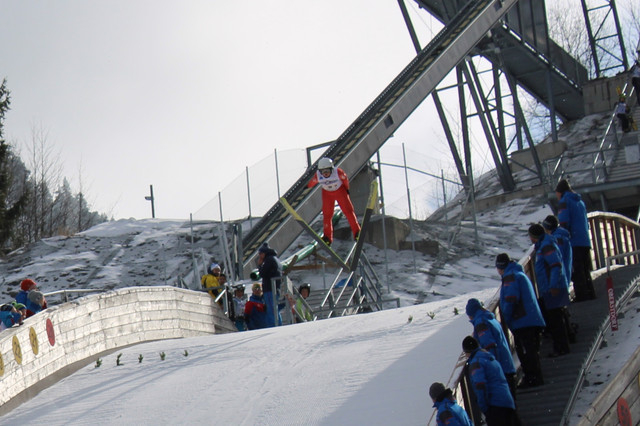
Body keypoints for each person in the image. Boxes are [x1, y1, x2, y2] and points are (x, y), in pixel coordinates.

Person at [496, 253, 545, 389]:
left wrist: (507, 314)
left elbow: (511, 298)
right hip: (531, 319)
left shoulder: (510, 277)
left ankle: (532, 379)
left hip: (522, 321)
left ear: (500, 267)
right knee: (531, 350)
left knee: (525, 351)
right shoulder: (518, 273)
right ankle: (535, 377)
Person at [529, 224, 571, 358]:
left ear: (533, 237)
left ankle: (561, 347)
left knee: (555, 319)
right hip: (550, 287)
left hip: (552, 288)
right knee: (556, 317)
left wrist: (553, 285)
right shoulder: (544, 244)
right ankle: (563, 345)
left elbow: (555, 265)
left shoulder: (546, 246)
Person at [465, 298, 516, 399]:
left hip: (500, 368)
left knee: (506, 401)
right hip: (506, 364)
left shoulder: (481, 323)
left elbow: (489, 346)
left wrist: (493, 368)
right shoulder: (489, 317)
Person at [462, 336, 519, 426]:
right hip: (506, 400)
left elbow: (480, 386)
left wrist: (484, 407)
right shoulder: (488, 357)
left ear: (468, 351)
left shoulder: (476, 363)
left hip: (495, 405)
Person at [556, 179, 596, 301]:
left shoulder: (565, 202)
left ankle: (582, 295)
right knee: (585, 268)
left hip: (574, 240)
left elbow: (564, 222)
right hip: (584, 239)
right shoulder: (580, 202)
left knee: (577, 270)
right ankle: (590, 293)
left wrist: (559, 237)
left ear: (560, 191)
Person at [307, 157, 361, 245]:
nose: (325, 174)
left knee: (348, 211)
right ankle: (327, 237)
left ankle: (357, 232)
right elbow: (312, 182)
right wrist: (306, 186)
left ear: (331, 169)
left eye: (327, 171)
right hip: (327, 193)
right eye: (323, 172)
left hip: (340, 191)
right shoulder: (318, 175)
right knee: (327, 215)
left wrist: (346, 189)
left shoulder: (338, 172)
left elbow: (345, 180)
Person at [257, 242, 283, 328]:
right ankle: (278, 324)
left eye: (260, 254)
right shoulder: (276, 259)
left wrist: (260, 266)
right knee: (275, 308)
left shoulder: (269, 260)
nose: (260, 256)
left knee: (271, 310)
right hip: (276, 288)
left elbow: (263, 273)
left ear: (264, 253)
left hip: (270, 288)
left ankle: (274, 326)